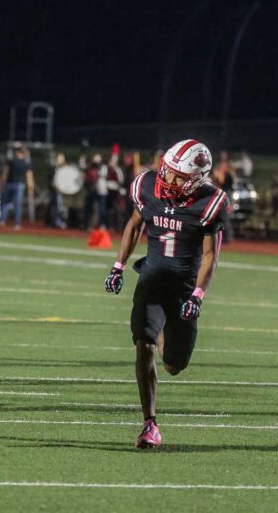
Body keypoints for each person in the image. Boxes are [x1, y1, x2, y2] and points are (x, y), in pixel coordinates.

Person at [105, 139, 228, 448]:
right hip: (152, 280)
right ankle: (149, 424)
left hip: (184, 289)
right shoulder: (147, 185)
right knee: (142, 344)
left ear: (197, 178)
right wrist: (118, 266)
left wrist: (198, 295)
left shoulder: (209, 203)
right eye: (168, 171)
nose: (168, 179)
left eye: (178, 176)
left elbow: (211, 256)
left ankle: (162, 330)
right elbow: (135, 225)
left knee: (174, 365)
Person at [0, 145, 32, 230]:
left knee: (5, 203)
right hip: (20, 185)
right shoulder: (26, 163)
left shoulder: (11, 161)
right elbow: (29, 176)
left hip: (9, 184)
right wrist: (30, 188)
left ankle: (2, 221)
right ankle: (16, 224)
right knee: (18, 205)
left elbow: (5, 173)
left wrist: (2, 184)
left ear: (17, 152)